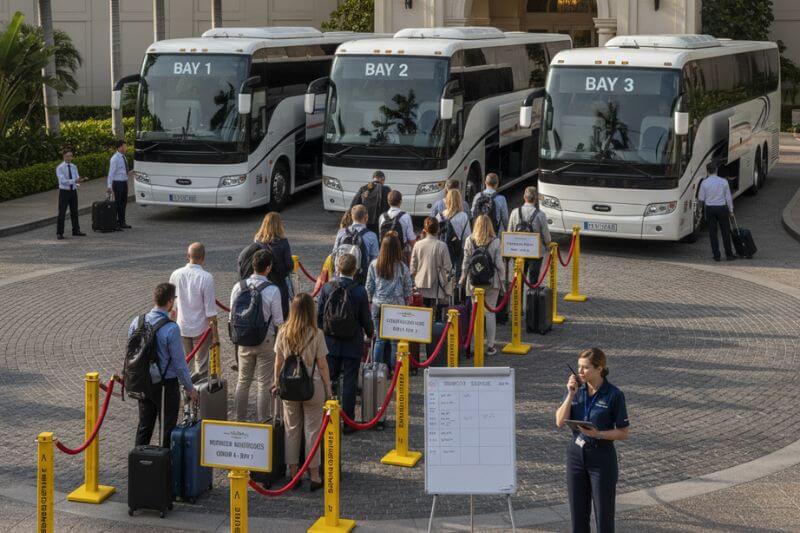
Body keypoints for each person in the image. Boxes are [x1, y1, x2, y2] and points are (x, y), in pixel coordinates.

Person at [555, 348, 630, 533]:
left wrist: (599, 434)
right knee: (578, 517)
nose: (579, 372)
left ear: (599, 368)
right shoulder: (576, 390)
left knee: (604, 518)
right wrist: (570, 394)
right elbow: (559, 421)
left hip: (601, 458)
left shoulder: (614, 395)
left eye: (585, 368)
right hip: (576, 456)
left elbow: (623, 432)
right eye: (579, 367)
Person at [272, 293, 333, 491]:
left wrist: (276, 382)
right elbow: (322, 365)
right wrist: (328, 388)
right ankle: (314, 474)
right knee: (312, 431)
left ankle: (293, 473)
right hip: (311, 386)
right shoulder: (317, 334)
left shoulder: (283, 332)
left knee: (292, 429)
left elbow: (279, 362)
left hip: (289, 386)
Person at [130, 283, 198, 448]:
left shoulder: (137, 321)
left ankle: (139, 461)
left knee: (144, 426)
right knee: (166, 429)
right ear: (169, 302)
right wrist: (190, 388)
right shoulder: (171, 328)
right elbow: (179, 364)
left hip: (143, 381)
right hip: (165, 386)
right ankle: (164, 466)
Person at [317, 254, 373, 429]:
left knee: (329, 379)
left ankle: (327, 417)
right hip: (352, 342)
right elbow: (365, 318)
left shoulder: (326, 288)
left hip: (330, 342)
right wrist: (370, 334)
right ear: (355, 270)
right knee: (349, 381)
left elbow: (319, 316)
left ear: (338, 268)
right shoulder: (360, 291)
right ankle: (348, 421)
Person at [230, 249, 285, 421]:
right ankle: (263, 421)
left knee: (243, 380)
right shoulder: (273, 290)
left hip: (244, 340)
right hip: (265, 340)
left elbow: (232, 316)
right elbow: (278, 321)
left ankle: (240, 419)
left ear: (253, 265)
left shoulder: (238, 287)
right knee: (263, 383)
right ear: (268, 268)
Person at [168, 243, 219, 381]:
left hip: (181, 326)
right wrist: (215, 336)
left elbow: (172, 306)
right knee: (201, 368)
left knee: (184, 365)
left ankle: (185, 395)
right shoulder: (206, 277)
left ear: (187, 256)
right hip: (201, 329)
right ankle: (199, 396)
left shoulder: (175, 274)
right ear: (203, 257)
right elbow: (210, 311)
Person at [460, 214, 505, 356]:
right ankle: (490, 346)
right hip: (492, 282)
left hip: (474, 282)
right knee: (490, 313)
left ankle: (475, 344)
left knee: (475, 313)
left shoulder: (469, 240)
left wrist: (462, 278)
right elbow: (499, 264)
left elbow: (466, 262)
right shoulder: (495, 241)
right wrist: (503, 280)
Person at [366, 233, 413, 368]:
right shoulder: (402, 267)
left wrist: (369, 302)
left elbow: (369, 287)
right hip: (396, 307)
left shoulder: (374, 265)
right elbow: (408, 288)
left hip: (378, 304)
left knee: (379, 340)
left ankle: (376, 369)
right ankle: (394, 371)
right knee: (394, 342)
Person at [238, 213, 294, 317]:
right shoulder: (283, 243)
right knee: (281, 317)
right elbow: (289, 265)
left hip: (258, 285)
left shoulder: (257, 243)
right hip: (279, 285)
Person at [508, 186, 551, 280]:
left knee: (519, 279)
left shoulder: (515, 212)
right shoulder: (541, 215)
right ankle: (532, 294)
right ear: (536, 199)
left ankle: (519, 294)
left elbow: (509, 232)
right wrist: (548, 247)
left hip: (518, 250)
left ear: (524, 197)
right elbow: (546, 236)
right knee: (533, 279)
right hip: (535, 251)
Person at [410, 217, 452, 310]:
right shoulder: (442, 246)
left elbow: (412, 268)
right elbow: (448, 267)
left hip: (421, 284)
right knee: (437, 313)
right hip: (437, 286)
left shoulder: (418, 244)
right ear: (438, 229)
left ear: (425, 229)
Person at [332, 204, 380, 285]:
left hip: (341, 276)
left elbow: (334, 253)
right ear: (366, 217)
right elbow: (374, 260)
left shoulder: (341, 232)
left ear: (351, 216)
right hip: (360, 278)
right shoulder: (371, 236)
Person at [698, 161, 736, 262]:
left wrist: (699, 211)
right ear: (716, 170)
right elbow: (728, 197)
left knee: (713, 233)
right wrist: (731, 211)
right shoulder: (723, 182)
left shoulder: (704, 183)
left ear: (707, 171)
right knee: (725, 232)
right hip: (722, 208)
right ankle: (729, 254)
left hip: (710, 209)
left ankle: (716, 255)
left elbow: (701, 199)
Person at [436, 188, 472, 285]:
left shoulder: (440, 216)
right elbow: (467, 236)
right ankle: (457, 291)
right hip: (458, 248)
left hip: (444, 248)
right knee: (458, 272)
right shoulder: (463, 216)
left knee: (445, 271)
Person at [55, 148, 86, 240]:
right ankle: (59, 232)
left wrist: (79, 181)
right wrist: (74, 181)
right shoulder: (60, 168)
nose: (69, 158)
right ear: (63, 156)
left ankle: (76, 230)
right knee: (62, 213)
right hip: (64, 192)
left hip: (73, 191)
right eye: (67, 156)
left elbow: (76, 177)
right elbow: (63, 181)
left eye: (70, 156)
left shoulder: (74, 166)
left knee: (75, 211)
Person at [350, 170, 391, 235]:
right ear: (382, 179)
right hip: (381, 223)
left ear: (373, 178)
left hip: (365, 222)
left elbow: (353, 205)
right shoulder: (387, 189)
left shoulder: (364, 188)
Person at [378, 189, 416, 256]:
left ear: (388, 202)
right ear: (400, 202)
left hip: (385, 252)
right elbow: (411, 238)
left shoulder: (382, 217)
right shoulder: (406, 216)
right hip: (400, 252)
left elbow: (380, 235)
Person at [106, 140, 132, 230]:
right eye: (125, 146)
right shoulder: (115, 158)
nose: (126, 148)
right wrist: (109, 186)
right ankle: (115, 223)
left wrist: (131, 172)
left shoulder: (123, 157)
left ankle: (122, 222)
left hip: (124, 182)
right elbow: (111, 173)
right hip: (117, 183)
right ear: (120, 147)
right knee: (118, 204)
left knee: (123, 203)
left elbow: (123, 171)